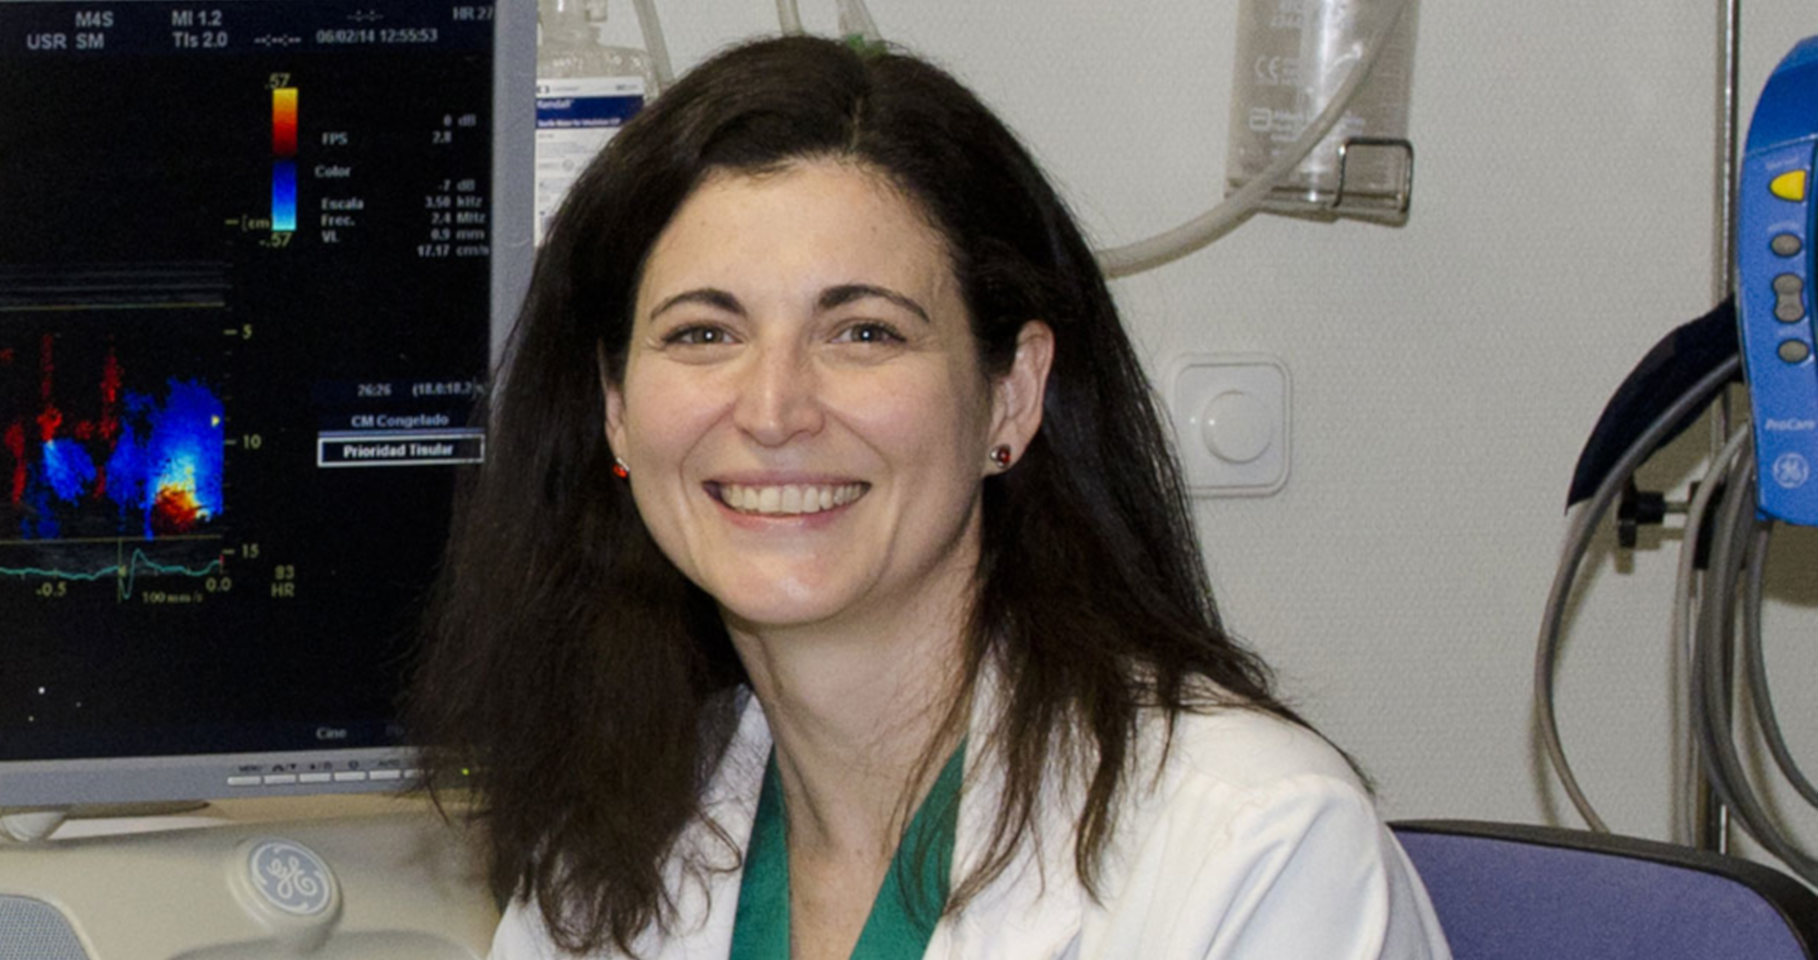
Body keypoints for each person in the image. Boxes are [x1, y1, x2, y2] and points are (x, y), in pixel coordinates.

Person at [410, 34, 1450, 960]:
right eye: (703, 333)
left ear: (1012, 395)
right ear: (617, 412)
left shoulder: (1252, 849)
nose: (772, 410)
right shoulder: (615, 852)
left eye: (864, 332)